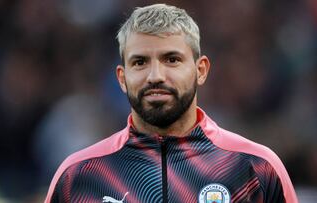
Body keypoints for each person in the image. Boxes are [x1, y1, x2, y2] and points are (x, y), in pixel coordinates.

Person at [45, 4, 298, 203]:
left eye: (172, 59)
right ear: (122, 78)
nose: (155, 76)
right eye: (140, 62)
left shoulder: (256, 168)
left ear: (201, 70)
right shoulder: (79, 176)